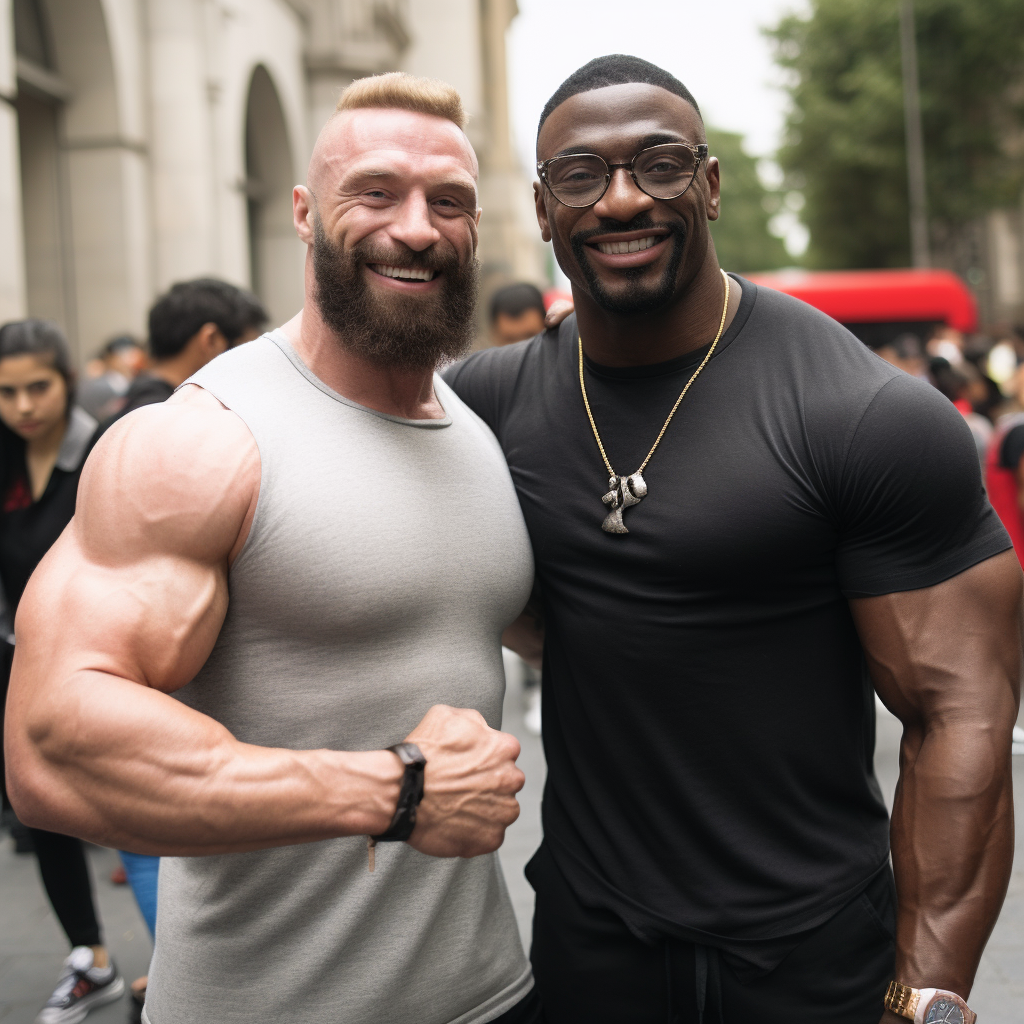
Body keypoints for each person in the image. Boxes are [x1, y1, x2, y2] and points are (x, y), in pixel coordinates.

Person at [445, 55, 1020, 1023]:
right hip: (594, 952)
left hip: (816, 962)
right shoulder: (483, 409)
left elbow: (957, 713)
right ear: (543, 211)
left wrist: (926, 997)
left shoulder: (860, 412)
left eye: (658, 164)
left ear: (708, 185)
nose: (621, 198)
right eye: (580, 175)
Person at [6, 72, 539, 1024]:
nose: (416, 227)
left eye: (447, 202)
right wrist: (397, 790)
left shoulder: (476, 431)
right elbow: (51, 750)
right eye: (374, 191)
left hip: (496, 994)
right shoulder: (202, 440)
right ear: (303, 212)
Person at [0, 319, 125, 1023]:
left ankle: (185, 963)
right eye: (6, 392)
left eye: (37, 387)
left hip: (100, 661)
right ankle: (91, 957)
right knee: (38, 810)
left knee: (136, 812)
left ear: (67, 381)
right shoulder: (2, 456)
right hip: (18, 660)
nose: (23, 405)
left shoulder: (105, 449)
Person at [96, 278, 267, 432]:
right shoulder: (179, 422)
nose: (251, 364)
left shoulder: (130, 410)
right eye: (247, 348)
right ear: (211, 340)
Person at [77, 336, 147, 421]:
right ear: (110, 358)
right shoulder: (100, 385)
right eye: (124, 355)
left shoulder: (135, 381)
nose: (131, 361)